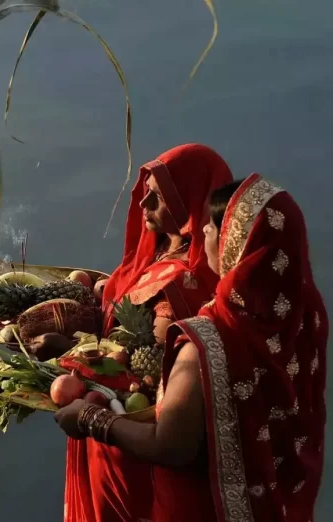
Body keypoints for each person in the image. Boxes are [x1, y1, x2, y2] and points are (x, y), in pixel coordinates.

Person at [55, 173, 328, 522]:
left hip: (201, 507)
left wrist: (88, 418)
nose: (201, 234)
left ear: (236, 245)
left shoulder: (208, 339)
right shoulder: (305, 322)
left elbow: (172, 447)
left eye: (213, 229)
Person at [63, 143, 234, 522]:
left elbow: (145, 376)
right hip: (104, 418)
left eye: (156, 197)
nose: (142, 205)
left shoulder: (183, 286)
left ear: (188, 199)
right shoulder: (159, 250)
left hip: (127, 439)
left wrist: (66, 351)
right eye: (145, 193)